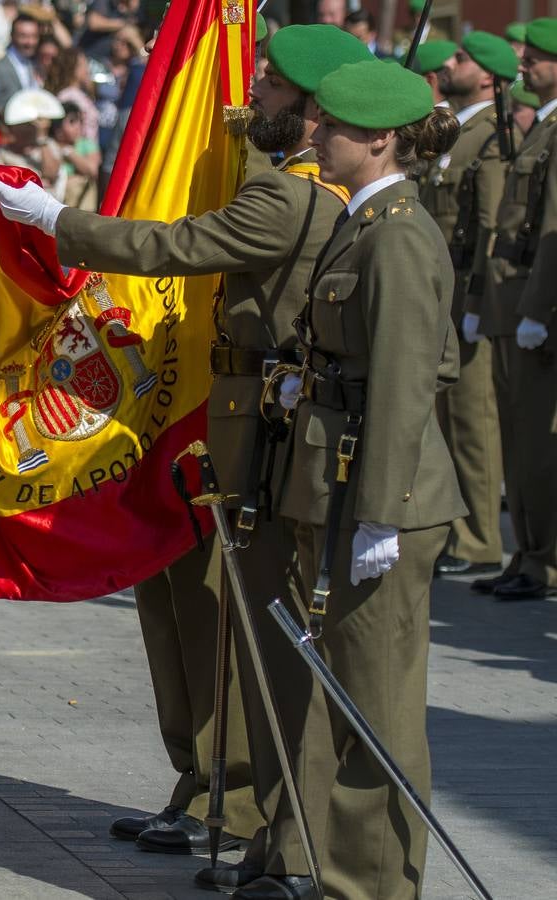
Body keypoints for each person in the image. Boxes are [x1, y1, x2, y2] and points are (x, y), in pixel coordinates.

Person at [0, 24, 372, 896]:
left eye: (265, 87)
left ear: (309, 109)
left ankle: (231, 797)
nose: (246, 99)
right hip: (206, 414)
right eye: (253, 77)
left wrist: (56, 222)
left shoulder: (286, 193)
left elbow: (176, 247)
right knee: (168, 594)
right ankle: (200, 779)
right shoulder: (271, 178)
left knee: (213, 608)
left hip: (235, 427)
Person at [272, 59, 464, 900]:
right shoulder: (363, 224)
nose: (316, 133)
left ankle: (374, 887)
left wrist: (381, 513)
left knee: (376, 709)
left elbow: (409, 379)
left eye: (333, 126)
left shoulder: (400, 236)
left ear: (379, 139)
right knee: (353, 692)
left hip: (383, 495)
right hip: (346, 482)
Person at [423, 32, 517, 579]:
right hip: (449, 290)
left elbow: (489, 224)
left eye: (463, 59)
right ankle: (461, 534)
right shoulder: (462, 131)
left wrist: (480, 297)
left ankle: (480, 539)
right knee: (451, 415)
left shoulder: (492, 134)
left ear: (486, 75)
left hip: (469, 293)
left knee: (473, 421)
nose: (451, 64)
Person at [474, 17, 557, 600]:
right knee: (515, 438)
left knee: (533, 443)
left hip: (532, 307)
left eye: (535, 57)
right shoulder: (541, 130)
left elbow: (552, 226)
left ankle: (544, 560)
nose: (521, 65)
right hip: (510, 302)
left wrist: (538, 309)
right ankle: (526, 553)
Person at [0, 14, 42, 115]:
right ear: (12, 36)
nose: (30, 42)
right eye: (23, 36)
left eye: (34, 36)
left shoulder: (35, 65)